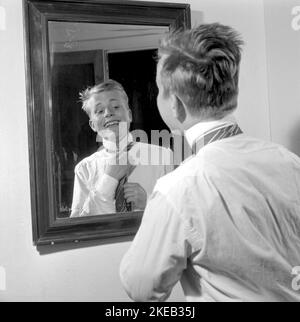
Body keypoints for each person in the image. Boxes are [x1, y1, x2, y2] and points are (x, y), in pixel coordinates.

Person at [120, 23, 300, 302]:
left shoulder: (178, 188)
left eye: (158, 89)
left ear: (176, 104)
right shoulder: (289, 162)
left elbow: (142, 289)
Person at [70, 80, 173, 217]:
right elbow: (78, 229)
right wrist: (108, 180)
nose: (108, 113)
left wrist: (149, 202)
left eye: (116, 106)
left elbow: (181, 216)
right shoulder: (84, 170)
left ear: (129, 115)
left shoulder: (163, 157)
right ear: (93, 125)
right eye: (100, 110)